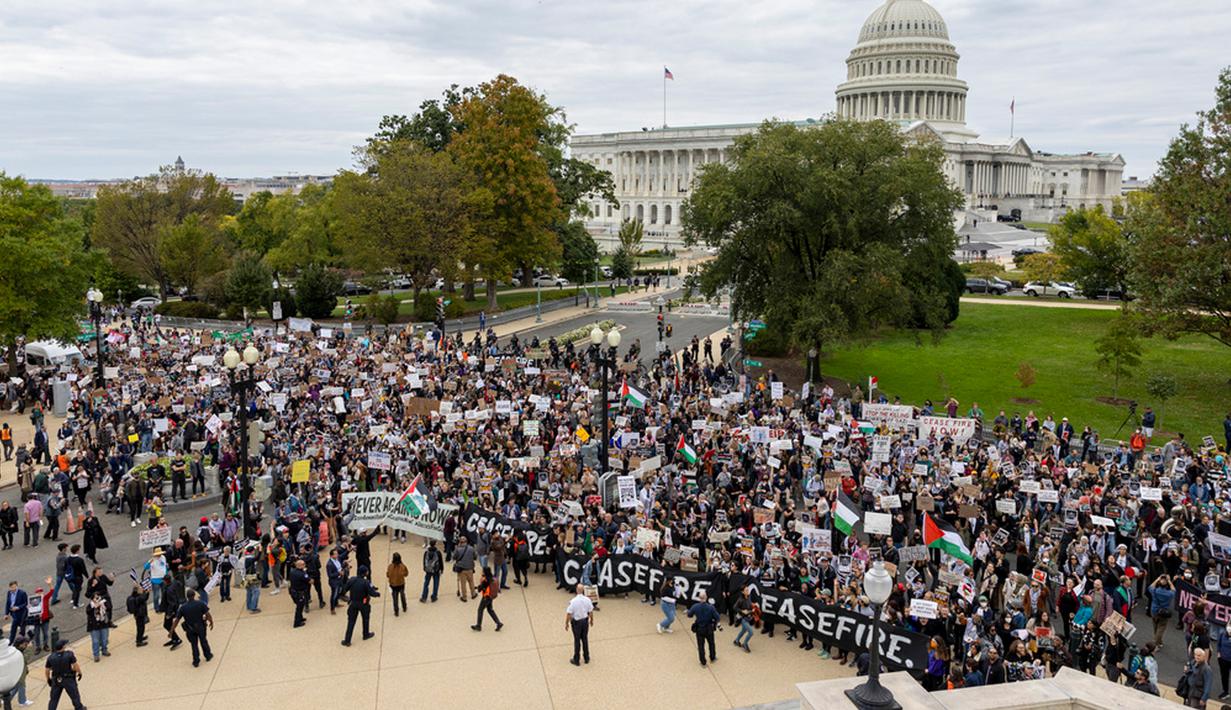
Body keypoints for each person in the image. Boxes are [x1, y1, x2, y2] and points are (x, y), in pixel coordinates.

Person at [171, 589, 214, 667]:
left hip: (190, 629)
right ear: (194, 595)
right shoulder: (200, 604)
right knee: (203, 641)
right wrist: (211, 622)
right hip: (200, 626)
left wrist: (172, 630)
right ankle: (208, 655)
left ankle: (196, 661)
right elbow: (207, 614)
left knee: (194, 645)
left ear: (187, 597)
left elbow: (177, 620)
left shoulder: (183, 607)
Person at [340, 565, 379, 646]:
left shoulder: (352, 580)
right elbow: (372, 593)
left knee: (351, 622)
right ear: (365, 573)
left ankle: (347, 640)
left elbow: (344, 589)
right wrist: (377, 594)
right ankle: (366, 634)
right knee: (365, 619)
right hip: (364, 604)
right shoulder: (366, 582)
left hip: (353, 603)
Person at [44, 638, 85, 710]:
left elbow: (47, 670)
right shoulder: (69, 654)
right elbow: (75, 665)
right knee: (74, 695)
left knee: (54, 699)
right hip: (68, 679)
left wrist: (48, 679)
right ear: (63, 647)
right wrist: (79, 672)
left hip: (56, 679)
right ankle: (79, 708)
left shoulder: (50, 657)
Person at [687, 594, 720, 667]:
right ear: (706, 598)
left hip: (699, 629)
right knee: (711, 643)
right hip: (709, 628)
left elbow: (689, 615)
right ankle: (712, 657)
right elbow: (718, 617)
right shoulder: (711, 607)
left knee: (701, 645)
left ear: (699, 598)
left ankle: (703, 662)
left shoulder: (695, 606)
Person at [565, 584, 595, 666]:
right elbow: (591, 611)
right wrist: (591, 620)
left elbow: (569, 613)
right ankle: (586, 657)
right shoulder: (587, 600)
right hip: (585, 622)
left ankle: (576, 659)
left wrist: (566, 623)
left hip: (577, 623)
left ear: (577, 590)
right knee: (585, 639)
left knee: (577, 640)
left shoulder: (573, 601)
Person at [471, 567, 503, 632]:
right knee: (490, 610)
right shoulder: (492, 578)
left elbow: (480, 589)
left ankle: (478, 626)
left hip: (486, 597)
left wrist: (479, 585)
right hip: (491, 596)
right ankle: (498, 623)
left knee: (480, 610)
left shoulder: (485, 580)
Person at [1148, 574, 1174, 649]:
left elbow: (1150, 586)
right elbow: (1173, 589)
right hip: (1164, 612)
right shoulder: (1169, 594)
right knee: (1161, 628)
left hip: (1154, 610)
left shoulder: (1155, 591)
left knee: (1155, 626)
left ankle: (1158, 640)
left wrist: (1158, 579)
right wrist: (1169, 581)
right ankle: (1156, 642)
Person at [86, 592, 111, 662]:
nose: (97, 599)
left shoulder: (103, 603)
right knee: (95, 641)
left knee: (105, 638)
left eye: (98, 597)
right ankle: (96, 655)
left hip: (103, 623)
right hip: (94, 626)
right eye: (96, 598)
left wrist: (103, 605)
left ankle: (104, 650)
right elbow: (88, 612)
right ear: (92, 599)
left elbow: (109, 608)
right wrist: (95, 607)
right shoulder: (90, 606)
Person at [288, 558, 311, 628]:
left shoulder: (292, 572)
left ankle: (300, 618)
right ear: (300, 566)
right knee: (299, 607)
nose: (305, 565)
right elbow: (309, 580)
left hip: (293, 592)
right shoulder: (302, 574)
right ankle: (297, 623)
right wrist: (305, 572)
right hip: (299, 593)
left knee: (299, 606)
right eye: (303, 564)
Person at [732, 585, 754, 652]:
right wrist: (742, 611)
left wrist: (754, 604)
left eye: (748, 590)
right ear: (742, 592)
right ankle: (745, 644)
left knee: (743, 630)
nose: (748, 591)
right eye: (746, 590)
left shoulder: (749, 596)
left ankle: (736, 641)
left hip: (748, 617)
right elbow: (734, 607)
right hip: (743, 619)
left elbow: (749, 604)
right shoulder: (740, 600)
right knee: (751, 632)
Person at [454, 536, 476, 602]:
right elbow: (475, 557)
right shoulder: (471, 548)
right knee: (471, 582)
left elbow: (454, 557)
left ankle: (464, 597)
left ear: (460, 542)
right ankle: (473, 594)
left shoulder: (457, 549)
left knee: (463, 584)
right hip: (470, 568)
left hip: (461, 569)